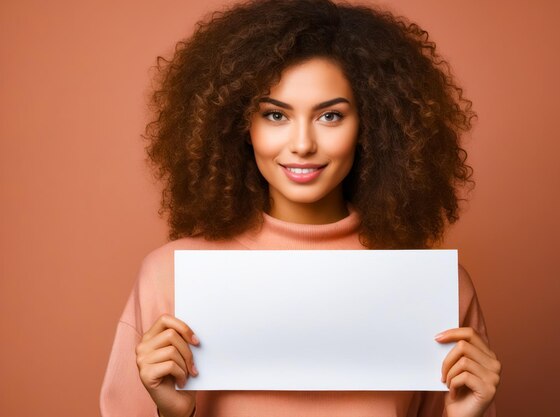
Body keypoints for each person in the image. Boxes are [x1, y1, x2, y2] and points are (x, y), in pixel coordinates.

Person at [100, 0, 501, 416]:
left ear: (372, 126)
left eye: (330, 116)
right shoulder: (169, 276)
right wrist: (171, 414)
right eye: (276, 115)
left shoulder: (435, 288)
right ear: (240, 125)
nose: (303, 144)